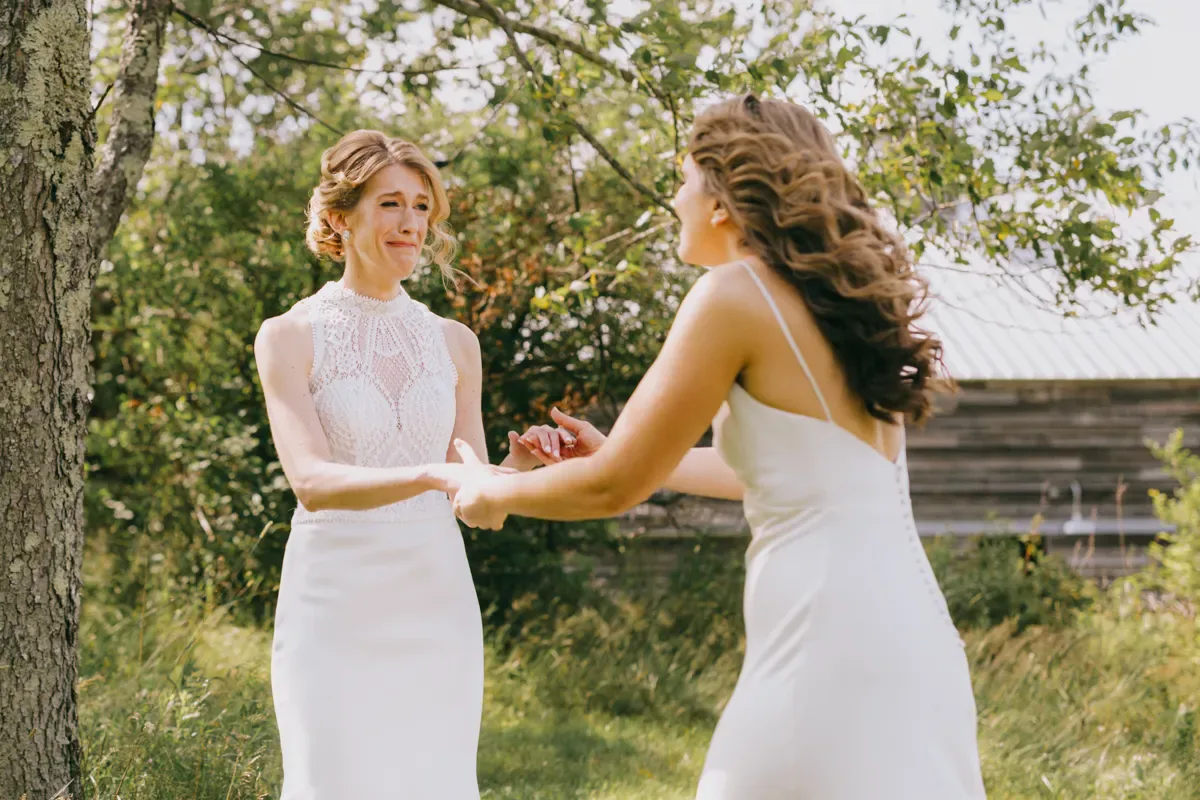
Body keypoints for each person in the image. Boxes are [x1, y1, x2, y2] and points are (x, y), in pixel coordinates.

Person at [452, 95, 988, 799]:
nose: (673, 201)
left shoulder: (732, 295)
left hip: (822, 638)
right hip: (911, 633)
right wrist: (631, 450)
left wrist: (495, 490)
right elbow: (776, 473)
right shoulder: (844, 304)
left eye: (682, 180)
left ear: (721, 199)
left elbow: (615, 488)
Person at [254, 130, 557, 799]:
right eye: (391, 203)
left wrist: (519, 464)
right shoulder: (289, 337)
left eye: (422, 206)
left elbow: (475, 499)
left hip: (435, 596)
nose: (411, 223)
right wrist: (429, 476)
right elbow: (312, 483)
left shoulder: (455, 343)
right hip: (333, 598)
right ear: (340, 217)